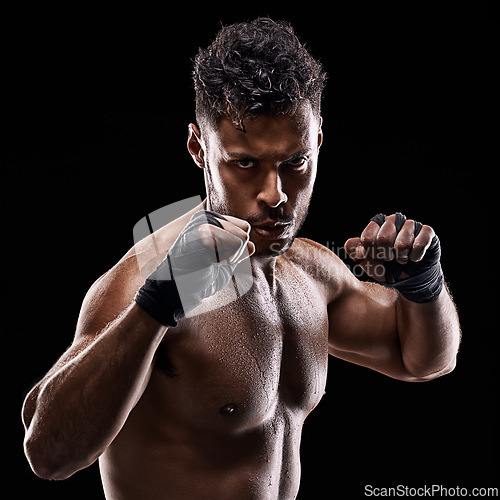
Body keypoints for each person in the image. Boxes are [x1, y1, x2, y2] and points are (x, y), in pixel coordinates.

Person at [22, 18, 461, 500]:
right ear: (198, 149)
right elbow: (49, 454)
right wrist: (155, 306)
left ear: (317, 141)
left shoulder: (309, 272)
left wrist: (422, 286)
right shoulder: (143, 281)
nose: (276, 195)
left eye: (294, 162)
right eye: (245, 163)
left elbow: (421, 360)